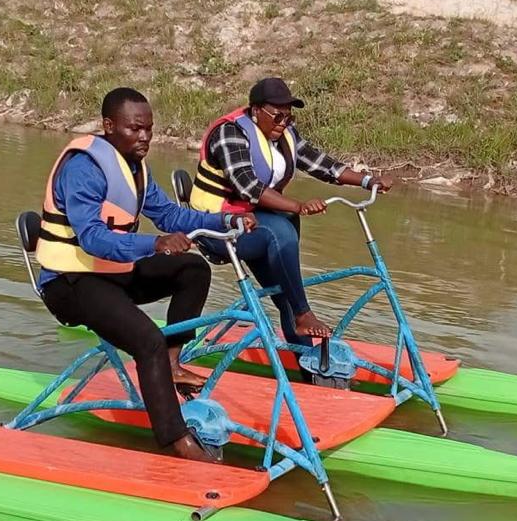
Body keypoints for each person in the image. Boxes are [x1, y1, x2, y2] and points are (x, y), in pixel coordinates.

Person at [36, 87, 255, 463]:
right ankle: (177, 442)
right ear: (109, 126)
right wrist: (153, 245)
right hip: (70, 282)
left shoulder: (134, 168)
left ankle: (170, 365)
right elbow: (92, 239)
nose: (145, 138)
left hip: (112, 271)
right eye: (135, 129)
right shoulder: (83, 168)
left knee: (192, 268)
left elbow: (171, 216)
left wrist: (225, 219)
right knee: (147, 340)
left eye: (149, 130)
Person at [190, 77, 391, 347]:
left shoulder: (284, 132)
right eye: (277, 116)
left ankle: (304, 359)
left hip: (251, 223)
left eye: (288, 116)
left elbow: (322, 165)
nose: (283, 122)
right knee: (281, 229)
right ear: (255, 111)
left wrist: (368, 181)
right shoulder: (230, 134)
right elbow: (249, 187)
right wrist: (299, 204)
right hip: (216, 226)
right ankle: (303, 314)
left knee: (286, 284)